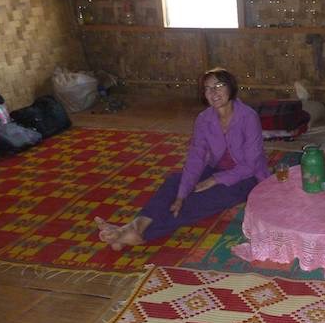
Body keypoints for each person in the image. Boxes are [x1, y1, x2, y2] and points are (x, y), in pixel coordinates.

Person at [94, 68, 270, 250]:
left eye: (219, 86)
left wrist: (213, 180)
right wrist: (181, 193)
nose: (213, 93)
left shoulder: (248, 117)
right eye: (208, 88)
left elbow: (250, 165)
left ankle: (136, 234)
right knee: (174, 183)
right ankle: (135, 226)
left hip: (246, 178)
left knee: (199, 200)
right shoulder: (204, 119)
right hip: (217, 168)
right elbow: (196, 157)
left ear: (231, 88)